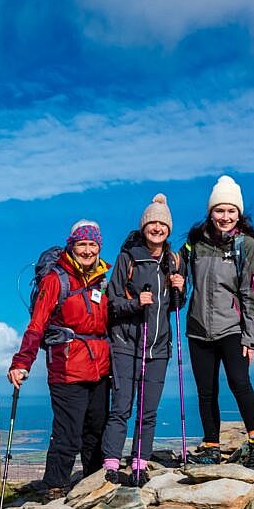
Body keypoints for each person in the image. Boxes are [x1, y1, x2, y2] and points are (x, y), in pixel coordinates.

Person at [8, 220, 111, 501]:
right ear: (72, 245)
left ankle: (94, 486)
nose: (88, 250)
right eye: (82, 244)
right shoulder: (56, 279)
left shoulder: (103, 279)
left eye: (92, 244)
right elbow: (37, 324)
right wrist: (22, 362)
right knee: (68, 432)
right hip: (66, 367)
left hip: (100, 368)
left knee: (96, 431)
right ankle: (54, 486)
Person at [181, 175, 254, 470]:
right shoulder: (195, 243)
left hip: (233, 328)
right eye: (220, 210)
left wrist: (251, 338)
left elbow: (252, 292)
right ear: (211, 212)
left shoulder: (247, 246)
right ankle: (211, 446)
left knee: (239, 382)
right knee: (206, 391)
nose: (225, 217)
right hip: (197, 330)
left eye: (231, 211)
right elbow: (177, 270)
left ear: (239, 213)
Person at [101, 194, 184, 487]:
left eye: (163, 224)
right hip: (126, 344)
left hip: (158, 347)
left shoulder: (174, 261)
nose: (157, 228)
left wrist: (180, 289)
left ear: (169, 229)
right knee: (121, 407)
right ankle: (110, 464)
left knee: (148, 411)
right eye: (153, 223)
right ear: (144, 226)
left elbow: (174, 306)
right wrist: (137, 302)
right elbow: (112, 302)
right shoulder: (128, 258)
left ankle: (140, 462)